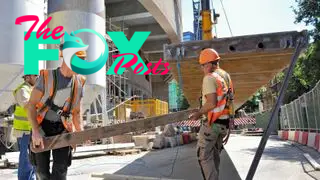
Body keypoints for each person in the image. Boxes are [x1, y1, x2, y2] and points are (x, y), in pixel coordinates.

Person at [26, 44, 86, 180]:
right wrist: (35, 131)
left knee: (61, 171)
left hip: (63, 128)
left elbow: (76, 112)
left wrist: (79, 132)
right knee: (42, 173)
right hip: (41, 127)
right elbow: (31, 106)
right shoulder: (47, 76)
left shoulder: (79, 82)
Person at [189, 48, 235, 180]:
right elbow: (230, 101)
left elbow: (211, 103)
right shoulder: (226, 76)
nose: (202, 68)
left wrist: (198, 113)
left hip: (212, 124)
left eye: (203, 65)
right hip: (223, 125)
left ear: (208, 64)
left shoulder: (210, 78)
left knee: (203, 156)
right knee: (214, 157)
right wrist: (230, 125)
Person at [13, 74, 38, 180]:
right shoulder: (23, 90)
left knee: (34, 160)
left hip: (32, 130)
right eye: (35, 75)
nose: (37, 77)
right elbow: (29, 108)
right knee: (27, 161)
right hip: (25, 131)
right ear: (27, 77)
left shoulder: (33, 89)